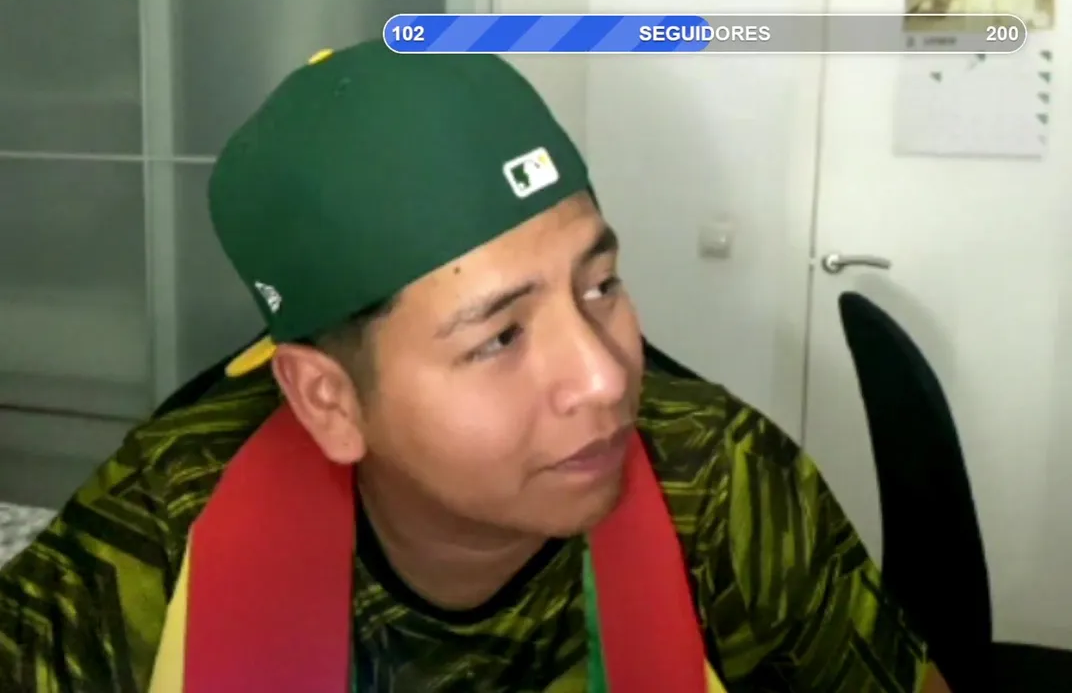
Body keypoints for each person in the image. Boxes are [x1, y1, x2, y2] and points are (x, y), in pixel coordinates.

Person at [0, 41, 951, 692]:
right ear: (330, 401)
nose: (608, 378)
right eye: (500, 337)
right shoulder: (178, 503)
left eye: (600, 285)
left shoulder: (720, 482)